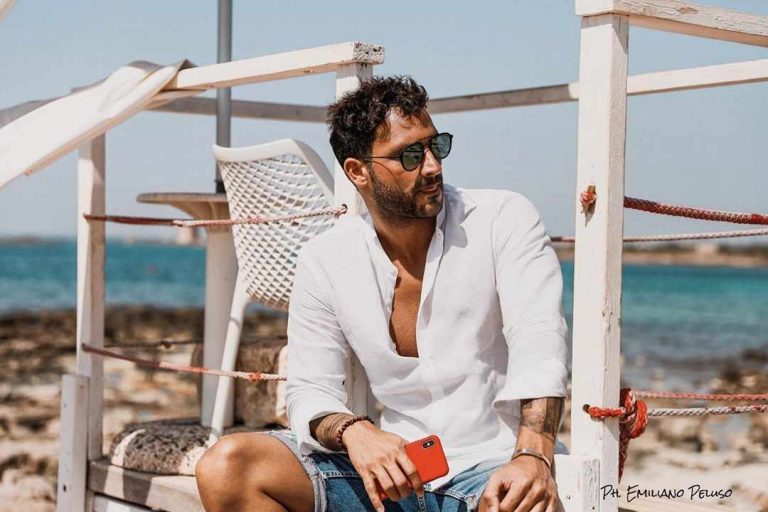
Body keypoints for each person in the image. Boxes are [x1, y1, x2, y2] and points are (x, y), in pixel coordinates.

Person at [195, 75, 569, 512]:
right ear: (358, 171)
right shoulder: (327, 258)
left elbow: (539, 342)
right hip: (396, 474)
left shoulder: (501, 218)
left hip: (494, 467)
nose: (432, 166)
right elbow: (309, 389)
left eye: (436, 145)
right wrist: (355, 431)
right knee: (227, 467)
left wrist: (532, 456)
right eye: (410, 154)